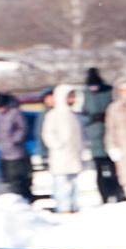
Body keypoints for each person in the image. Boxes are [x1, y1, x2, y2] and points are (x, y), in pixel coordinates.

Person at [79, 67, 123, 203]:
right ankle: (104, 196)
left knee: (114, 169)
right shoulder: (85, 95)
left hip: (111, 136)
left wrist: (106, 116)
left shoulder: (108, 92)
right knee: (99, 170)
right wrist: (92, 119)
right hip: (95, 138)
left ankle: (118, 193)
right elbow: (82, 115)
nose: (93, 89)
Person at [41, 85, 87, 213]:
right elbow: (48, 133)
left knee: (73, 184)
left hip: (73, 154)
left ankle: (73, 206)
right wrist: (58, 145)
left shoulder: (75, 115)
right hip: (60, 156)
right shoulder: (53, 114)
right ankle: (63, 207)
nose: (71, 99)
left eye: (73, 96)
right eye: (69, 97)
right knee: (62, 184)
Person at [0, 91, 33, 201]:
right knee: (9, 181)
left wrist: (14, 140)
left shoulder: (15, 113)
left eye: (1, 106)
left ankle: (23, 201)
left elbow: (22, 128)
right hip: (3, 153)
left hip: (16, 154)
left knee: (18, 181)